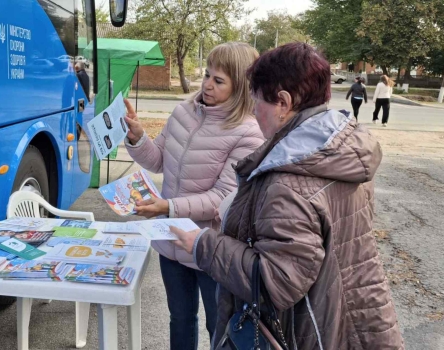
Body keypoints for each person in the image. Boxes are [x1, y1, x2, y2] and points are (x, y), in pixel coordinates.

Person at [172, 43, 404, 349]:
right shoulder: (337, 149)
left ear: (283, 102)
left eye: (257, 102)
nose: (254, 112)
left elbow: (277, 281)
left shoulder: (289, 180)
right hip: (357, 315)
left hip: (308, 331)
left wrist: (204, 244)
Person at [123, 42, 265, 350]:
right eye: (207, 75)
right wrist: (137, 138)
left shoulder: (248, 132)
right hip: (170, 239)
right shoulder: (183, 111)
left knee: (218, 324)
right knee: (180, 319)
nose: (207, 85)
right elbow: (158, 159)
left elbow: (222, 198)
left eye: (219, 80)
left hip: (210, 248)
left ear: (240, 87)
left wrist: (168, 206)